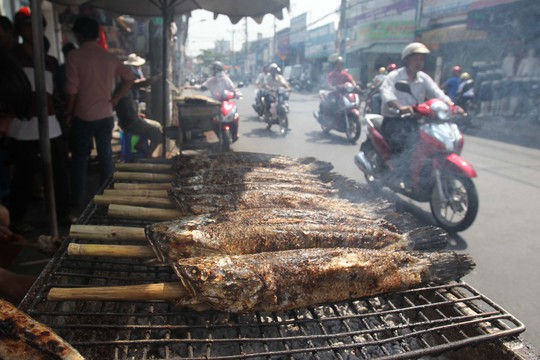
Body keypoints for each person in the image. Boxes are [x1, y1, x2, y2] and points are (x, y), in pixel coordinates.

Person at [7, 7, 73, 231]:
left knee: (58, 175)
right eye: (27, 25)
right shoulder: (11, 59)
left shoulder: (50, 62)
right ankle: (16, 219)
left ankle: (62, 215)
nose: (32, 30)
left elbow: (55, 94)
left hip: (51, 125)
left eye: (36, 25)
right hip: (21, 127)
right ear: (20, 29)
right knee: (23, 176)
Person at [65, 16, 135, 207]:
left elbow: (71, 91)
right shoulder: (109, 57)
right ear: (97, 35)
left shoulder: (74, 56)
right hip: (105, 115)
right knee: (105, 156)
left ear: (78, 35)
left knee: (79, 160)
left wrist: (68, 114)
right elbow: (130, 78)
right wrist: (114, 100)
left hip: (83, 115)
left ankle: (77, 203)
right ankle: (107, 199)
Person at [379, 42, 461, 183]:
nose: (419, 63)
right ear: (407, 60)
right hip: (395, 119)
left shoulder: (423, 78)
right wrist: (399, 106)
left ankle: (422, 172)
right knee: (404, 142)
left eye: (421, 59)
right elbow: (386, 93)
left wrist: (453, 106)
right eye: (415, 59)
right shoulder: (395, 76)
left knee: (430, 141)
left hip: (416, 119)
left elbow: (437, 93)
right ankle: (396, 172)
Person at [113, 82, 163, 158]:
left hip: (132, 121)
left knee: (156, 125)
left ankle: (139, 145)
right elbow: (127, 114)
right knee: (157, 132)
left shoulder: (123, 91)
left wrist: (137, 115)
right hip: (131, 123)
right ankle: (148, 156)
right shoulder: (123, 94)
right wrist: (153, 79)